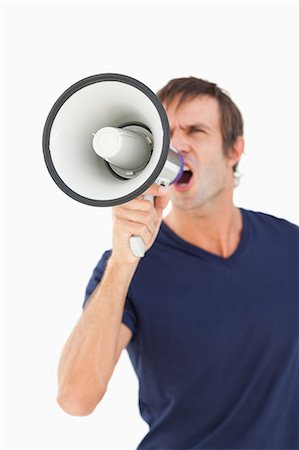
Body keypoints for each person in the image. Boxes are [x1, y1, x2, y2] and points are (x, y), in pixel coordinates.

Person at [56, 77, 299, 449]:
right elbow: (75, 398)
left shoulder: (289, 247)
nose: (177, 145)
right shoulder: (128, 266)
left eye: (196, 130)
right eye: (165, 133)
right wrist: (124, 261)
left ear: (234, 150)